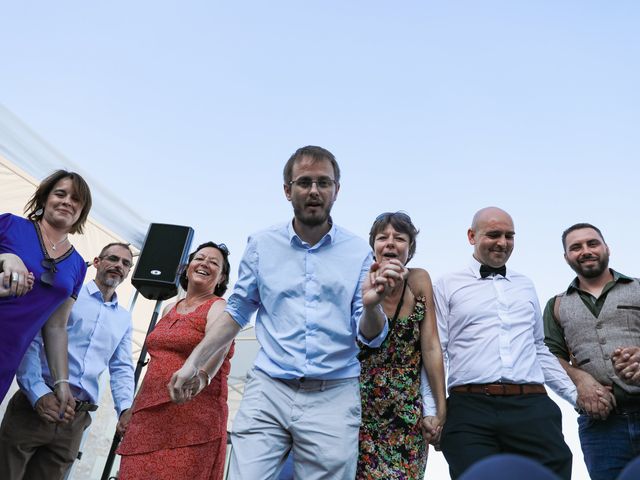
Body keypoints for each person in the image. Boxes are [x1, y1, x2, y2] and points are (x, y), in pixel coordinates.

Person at [168, 145, 401, 479]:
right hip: (270, 387)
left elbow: (371, 336)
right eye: (304, 182)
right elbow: (236, 311)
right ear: (287, 190)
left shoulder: (358, 253)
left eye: (324, 182)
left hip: (333, 395)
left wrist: (372, 306)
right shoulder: (262, 244)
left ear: (337, 190)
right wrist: (194, 361)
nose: (314, 191)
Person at [427, 206, 577, 480]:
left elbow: (538, 348)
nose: (503, 243)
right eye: (494, 235)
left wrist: (576, 397)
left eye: (510, 236)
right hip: (469, 407)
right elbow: (435, 351)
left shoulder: (525, 285)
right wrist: (434, 411)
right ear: (472, 236)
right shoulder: (446, 285)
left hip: (531, 405)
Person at [0, 242, 135, 480]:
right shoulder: (68, 293)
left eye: (125, 263)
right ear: (96, 262)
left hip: (75, 420)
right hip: (34, 408)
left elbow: (122, 366)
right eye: (112, 259)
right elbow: (32, 340)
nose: (118, 266)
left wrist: (124, 407)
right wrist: (38, 393)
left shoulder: (124, 319)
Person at [117, 241, 234, 480]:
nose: (205, 264)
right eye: (200, 258)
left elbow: (218, 347)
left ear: (221, 278)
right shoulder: (170, 308)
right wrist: (133, 408)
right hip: (147, 420)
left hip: (190, 422)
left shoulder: (219, 307)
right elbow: (156, 365)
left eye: (214, 263)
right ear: (187, 267)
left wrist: (202, 377)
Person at [543, 223, 640, 480]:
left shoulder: (638, 287)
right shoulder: (556, 304)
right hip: (601, 427)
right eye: (576, 247)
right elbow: (549, 356)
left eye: (592, 243)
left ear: (606, 247)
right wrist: (580, 380)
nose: (585, 251)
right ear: (567, 258)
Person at [356, 211, 446, 479]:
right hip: (360, 411)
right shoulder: (361, 281)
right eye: (383, 237)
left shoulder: (419, 280)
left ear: (410, 248)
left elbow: (430, 346)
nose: (391, 243)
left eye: (400, 238)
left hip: (407, 415)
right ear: (374, 247)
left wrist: (440, 410)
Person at [0, 169, 92, 415]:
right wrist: (5, 257)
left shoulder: (78, 265)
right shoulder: (8, 225)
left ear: (82, 211)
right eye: (60, 194)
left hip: (6, 357)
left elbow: (56, 327)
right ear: (43, 199)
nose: (67, 202)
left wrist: (61, 382)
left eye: (76, 199)